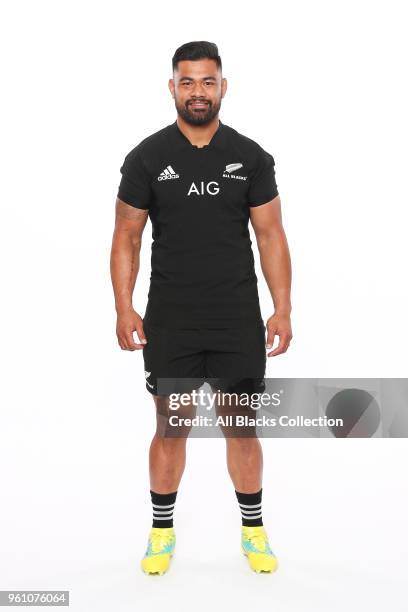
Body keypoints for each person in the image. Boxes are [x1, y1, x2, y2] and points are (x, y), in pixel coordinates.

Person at [110, 40, 292, 575]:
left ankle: (254, 531)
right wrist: (124, 307)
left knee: (242, 426)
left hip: (236, 318)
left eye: (207, 82)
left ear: (222, 87)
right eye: (187, 82)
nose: (197, 92)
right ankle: (161, 532)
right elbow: (126, 236)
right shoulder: (147, 157)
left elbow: (271, 235)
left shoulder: (251, 156)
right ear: (172, 87)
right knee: (172, 426)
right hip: (171, 319)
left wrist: (281, 308)